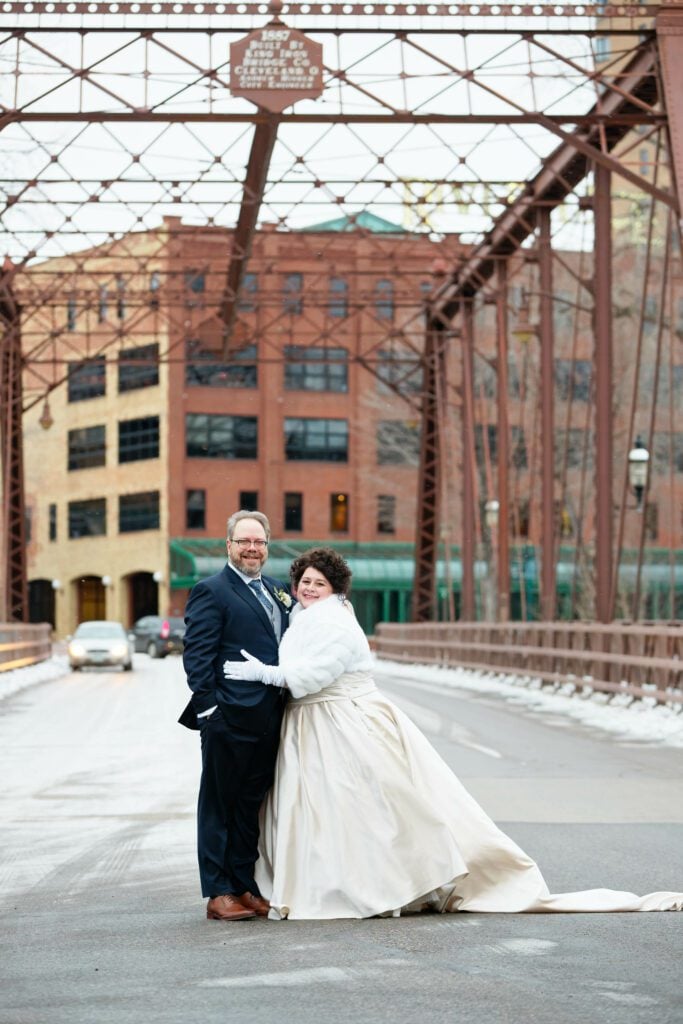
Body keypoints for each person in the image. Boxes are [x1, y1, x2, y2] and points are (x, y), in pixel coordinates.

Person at [224, 547, 683, 920]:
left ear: (336, 589)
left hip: (341, 721)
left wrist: (264, 674)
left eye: (318, 583)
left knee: (365, 806)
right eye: (304, 581)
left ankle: (380, 882)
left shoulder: (335, 621)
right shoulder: (307, 617)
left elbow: (315, 673)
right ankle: (335, 879)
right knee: (332, 811)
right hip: (314, 723)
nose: (308, 588)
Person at [179, 510, 292, 921]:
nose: (252, 548)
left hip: (270, 718)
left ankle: (243, 885)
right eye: (244, 541)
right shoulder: (212, 590)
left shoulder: (280, 591)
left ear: (267, 546)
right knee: (219, 805)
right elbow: (198, 656)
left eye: (259, 542)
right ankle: (218, 891)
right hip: (227, 718)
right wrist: (210, 710)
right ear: (228, 545)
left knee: (249, 807)